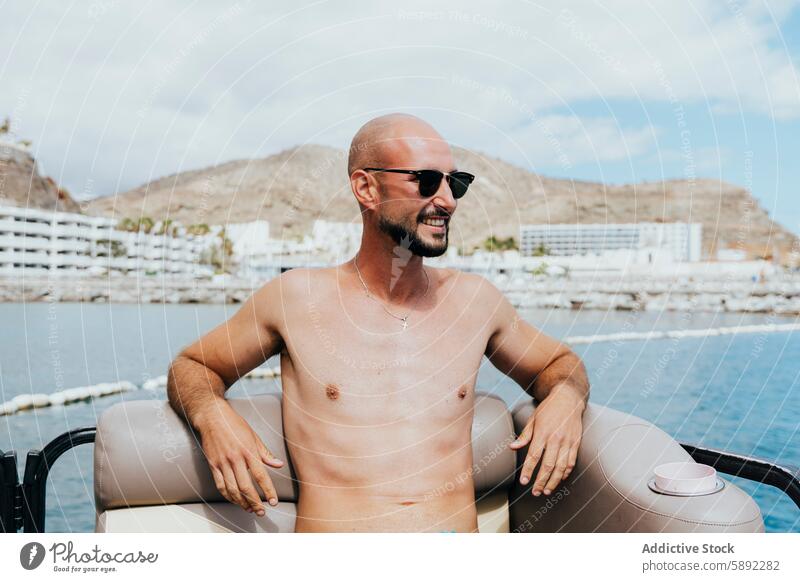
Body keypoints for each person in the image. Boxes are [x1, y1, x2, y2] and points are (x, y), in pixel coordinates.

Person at [167, 113, 590, 532]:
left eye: (455, 183)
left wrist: (566, 401)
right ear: (366, 188)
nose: (448, 200)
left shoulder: (475, 302)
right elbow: (193, 366)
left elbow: (560, 364)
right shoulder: (296, 299)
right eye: (426, 181)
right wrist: (213, 417)